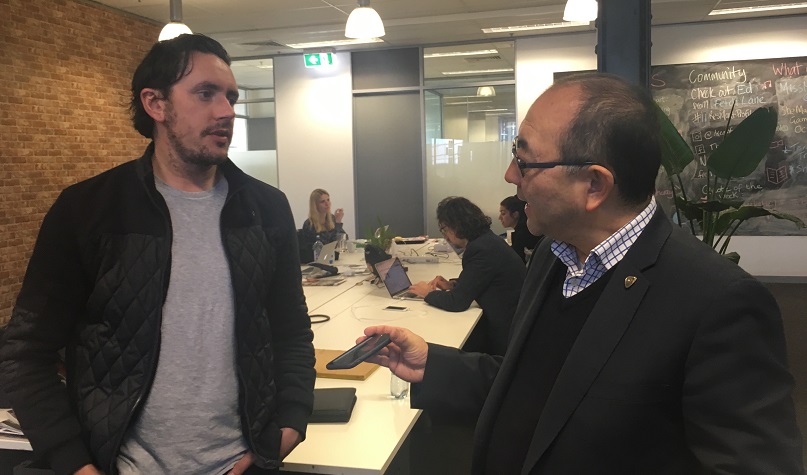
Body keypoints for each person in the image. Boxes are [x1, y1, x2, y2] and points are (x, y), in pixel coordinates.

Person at [361, 73, 804, 473]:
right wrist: (434, 365)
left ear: (594, 185)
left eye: (525, 161)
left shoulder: (717, 302)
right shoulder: (555, 255)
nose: (511, 175)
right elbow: (537, 386)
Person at [0, 34, 316, 475]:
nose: (226, 111)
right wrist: (74, 463)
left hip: (243, 464)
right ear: (155, 103)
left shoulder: (266, 208)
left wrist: (288, 428)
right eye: (205, 93)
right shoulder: (88, 210)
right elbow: (25, 353)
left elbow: (291, 332)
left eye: (230, 97)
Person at [408, 197, 525, 356]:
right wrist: (453, 285)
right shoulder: (487, 240)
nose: (445, 236)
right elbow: (482, 279)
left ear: (457, 225)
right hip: (513, 322)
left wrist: (427, 293)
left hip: (505, 334)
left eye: (444, 229)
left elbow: (457, 302)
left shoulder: (480, 249)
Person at [499, 195, 543, 263]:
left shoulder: (522, 236)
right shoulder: (523, 231)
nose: (499, 218)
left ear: (515, 214)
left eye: (503, 213)